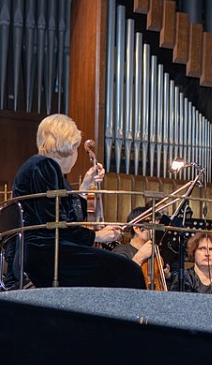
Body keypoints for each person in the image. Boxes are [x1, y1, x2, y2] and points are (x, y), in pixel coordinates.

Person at [11, 114, 145, 289]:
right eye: (75, 148)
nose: (75, 155)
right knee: (129, 271)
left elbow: (67, 217)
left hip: (42, 252)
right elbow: (58, 224)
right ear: (67, 145)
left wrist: (85, 186)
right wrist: (97, 236)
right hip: (47, 253)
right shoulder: (45, 166)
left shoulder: (42, 167)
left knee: (120, 269)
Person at [111, 206, 169, 288]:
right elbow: (119, 280)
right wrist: (139, 257)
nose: (154, 229)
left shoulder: (155, 252)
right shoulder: (120, 252)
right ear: (136, 228)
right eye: (149, 224)